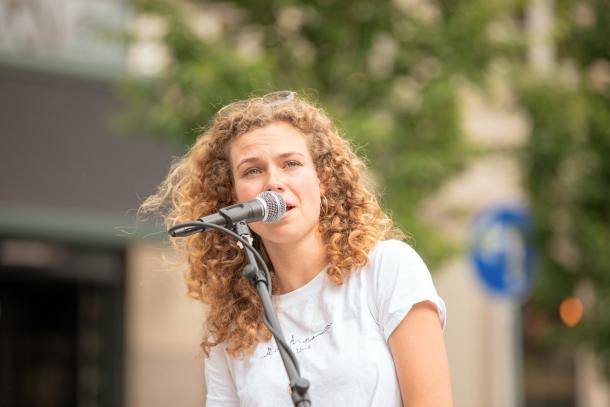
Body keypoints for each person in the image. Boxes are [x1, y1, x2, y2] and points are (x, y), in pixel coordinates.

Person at [141, 91, 453, 406]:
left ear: (323, 180)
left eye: (291, 163)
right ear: (233, 198)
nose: (273, 182)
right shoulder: (231, 325)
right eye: (252, 170)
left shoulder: (387, 268)